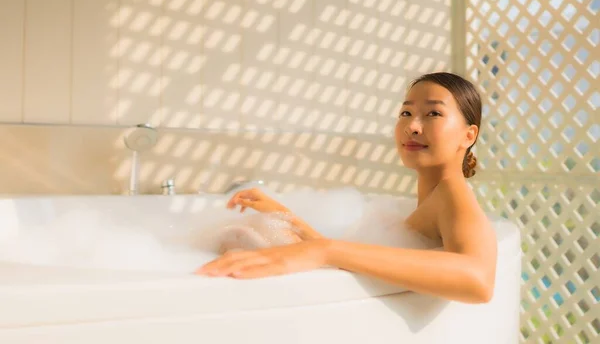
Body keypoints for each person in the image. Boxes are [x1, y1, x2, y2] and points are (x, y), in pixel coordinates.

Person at [196, 72, 498, 304]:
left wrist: (325, 251)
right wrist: (289, 220)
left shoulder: (451, 193)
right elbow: (372, 257)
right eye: (406, 113)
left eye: (433, 114)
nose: (412, 126)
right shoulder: (433, 196)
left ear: (468, 135)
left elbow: (478, 279)